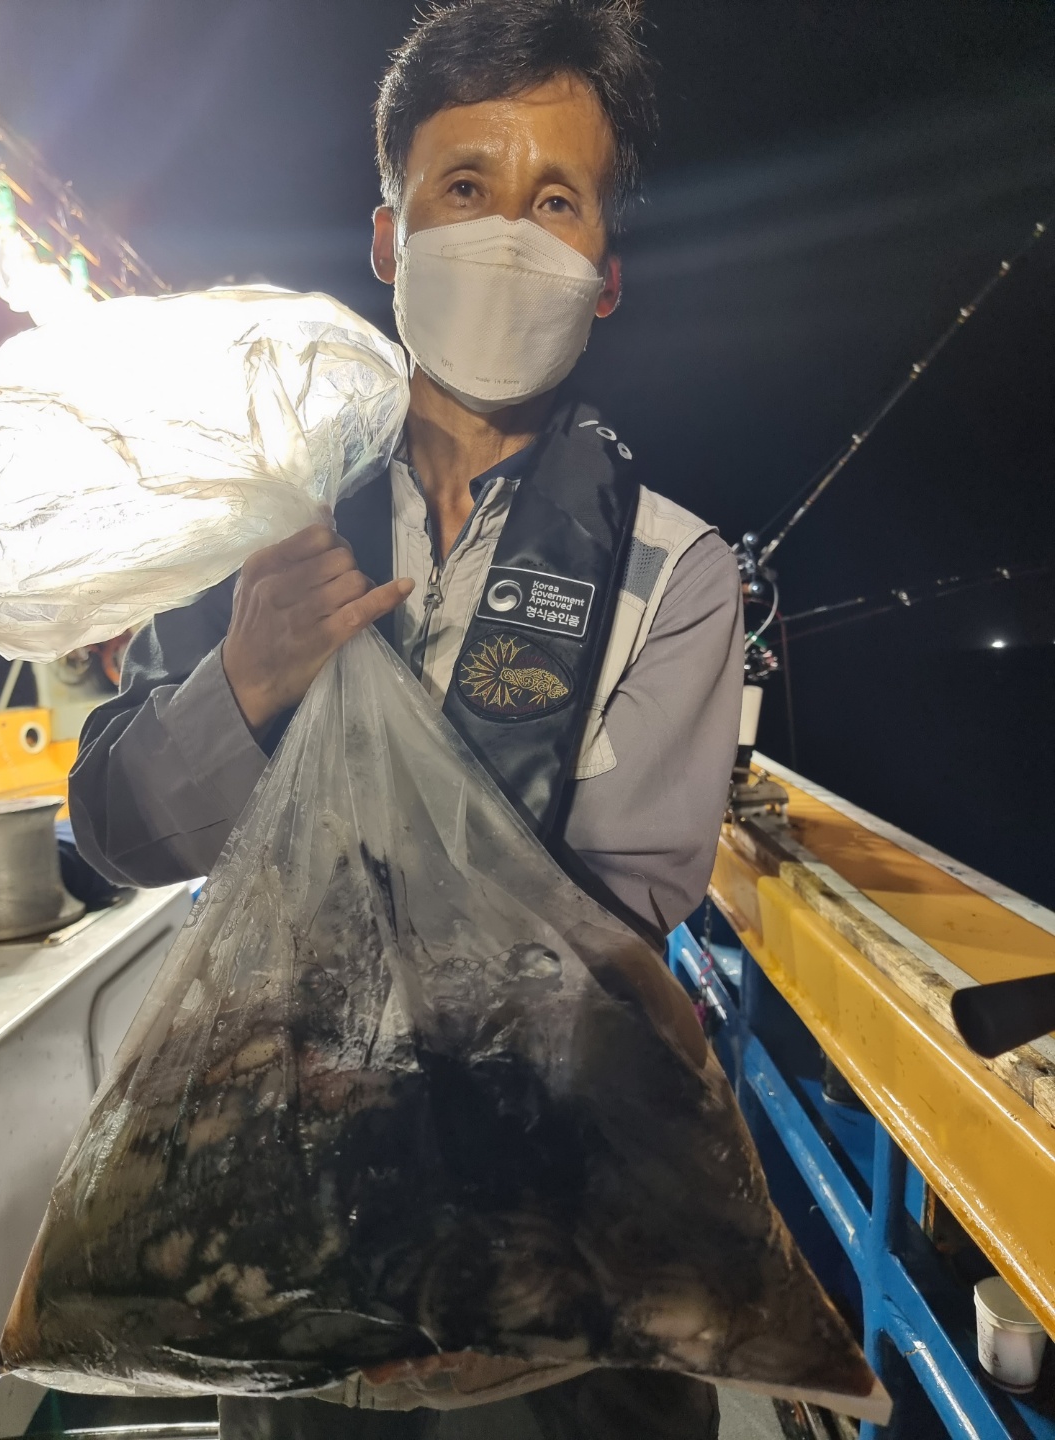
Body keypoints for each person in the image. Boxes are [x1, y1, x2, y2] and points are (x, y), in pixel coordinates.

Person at [70, 1, 743, 1435]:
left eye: (554, 201)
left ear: (603, 275)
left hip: (546, 1272)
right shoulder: (255, 521)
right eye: (464, 187)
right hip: (289, 1255)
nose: (507, 235)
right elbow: (115, 833)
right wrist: (243, 684)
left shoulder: (674, 574)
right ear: (388, 239)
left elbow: (614, 932)